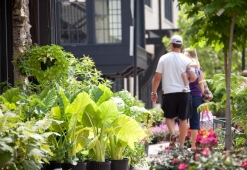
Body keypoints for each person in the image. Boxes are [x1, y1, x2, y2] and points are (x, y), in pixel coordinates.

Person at [150, 35, 197, 153]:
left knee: (169, 117)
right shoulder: (187, 60)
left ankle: (172, 134)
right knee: (183, 119)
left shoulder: (164, 58)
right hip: (184, 92)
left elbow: (157, 77)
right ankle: (181, 146)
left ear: (171, 44)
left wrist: (154, 92)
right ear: (180, 45)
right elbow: (193, 78)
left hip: (169, 92)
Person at [182, 48, 204, 151]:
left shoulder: (183, 67)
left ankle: (182, 144)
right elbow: (202, 85)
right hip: (196, 97)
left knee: (183, 120)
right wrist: (202, 94)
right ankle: (193, 146)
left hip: (184, 96)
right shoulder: (199, 68)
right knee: (195, 122)